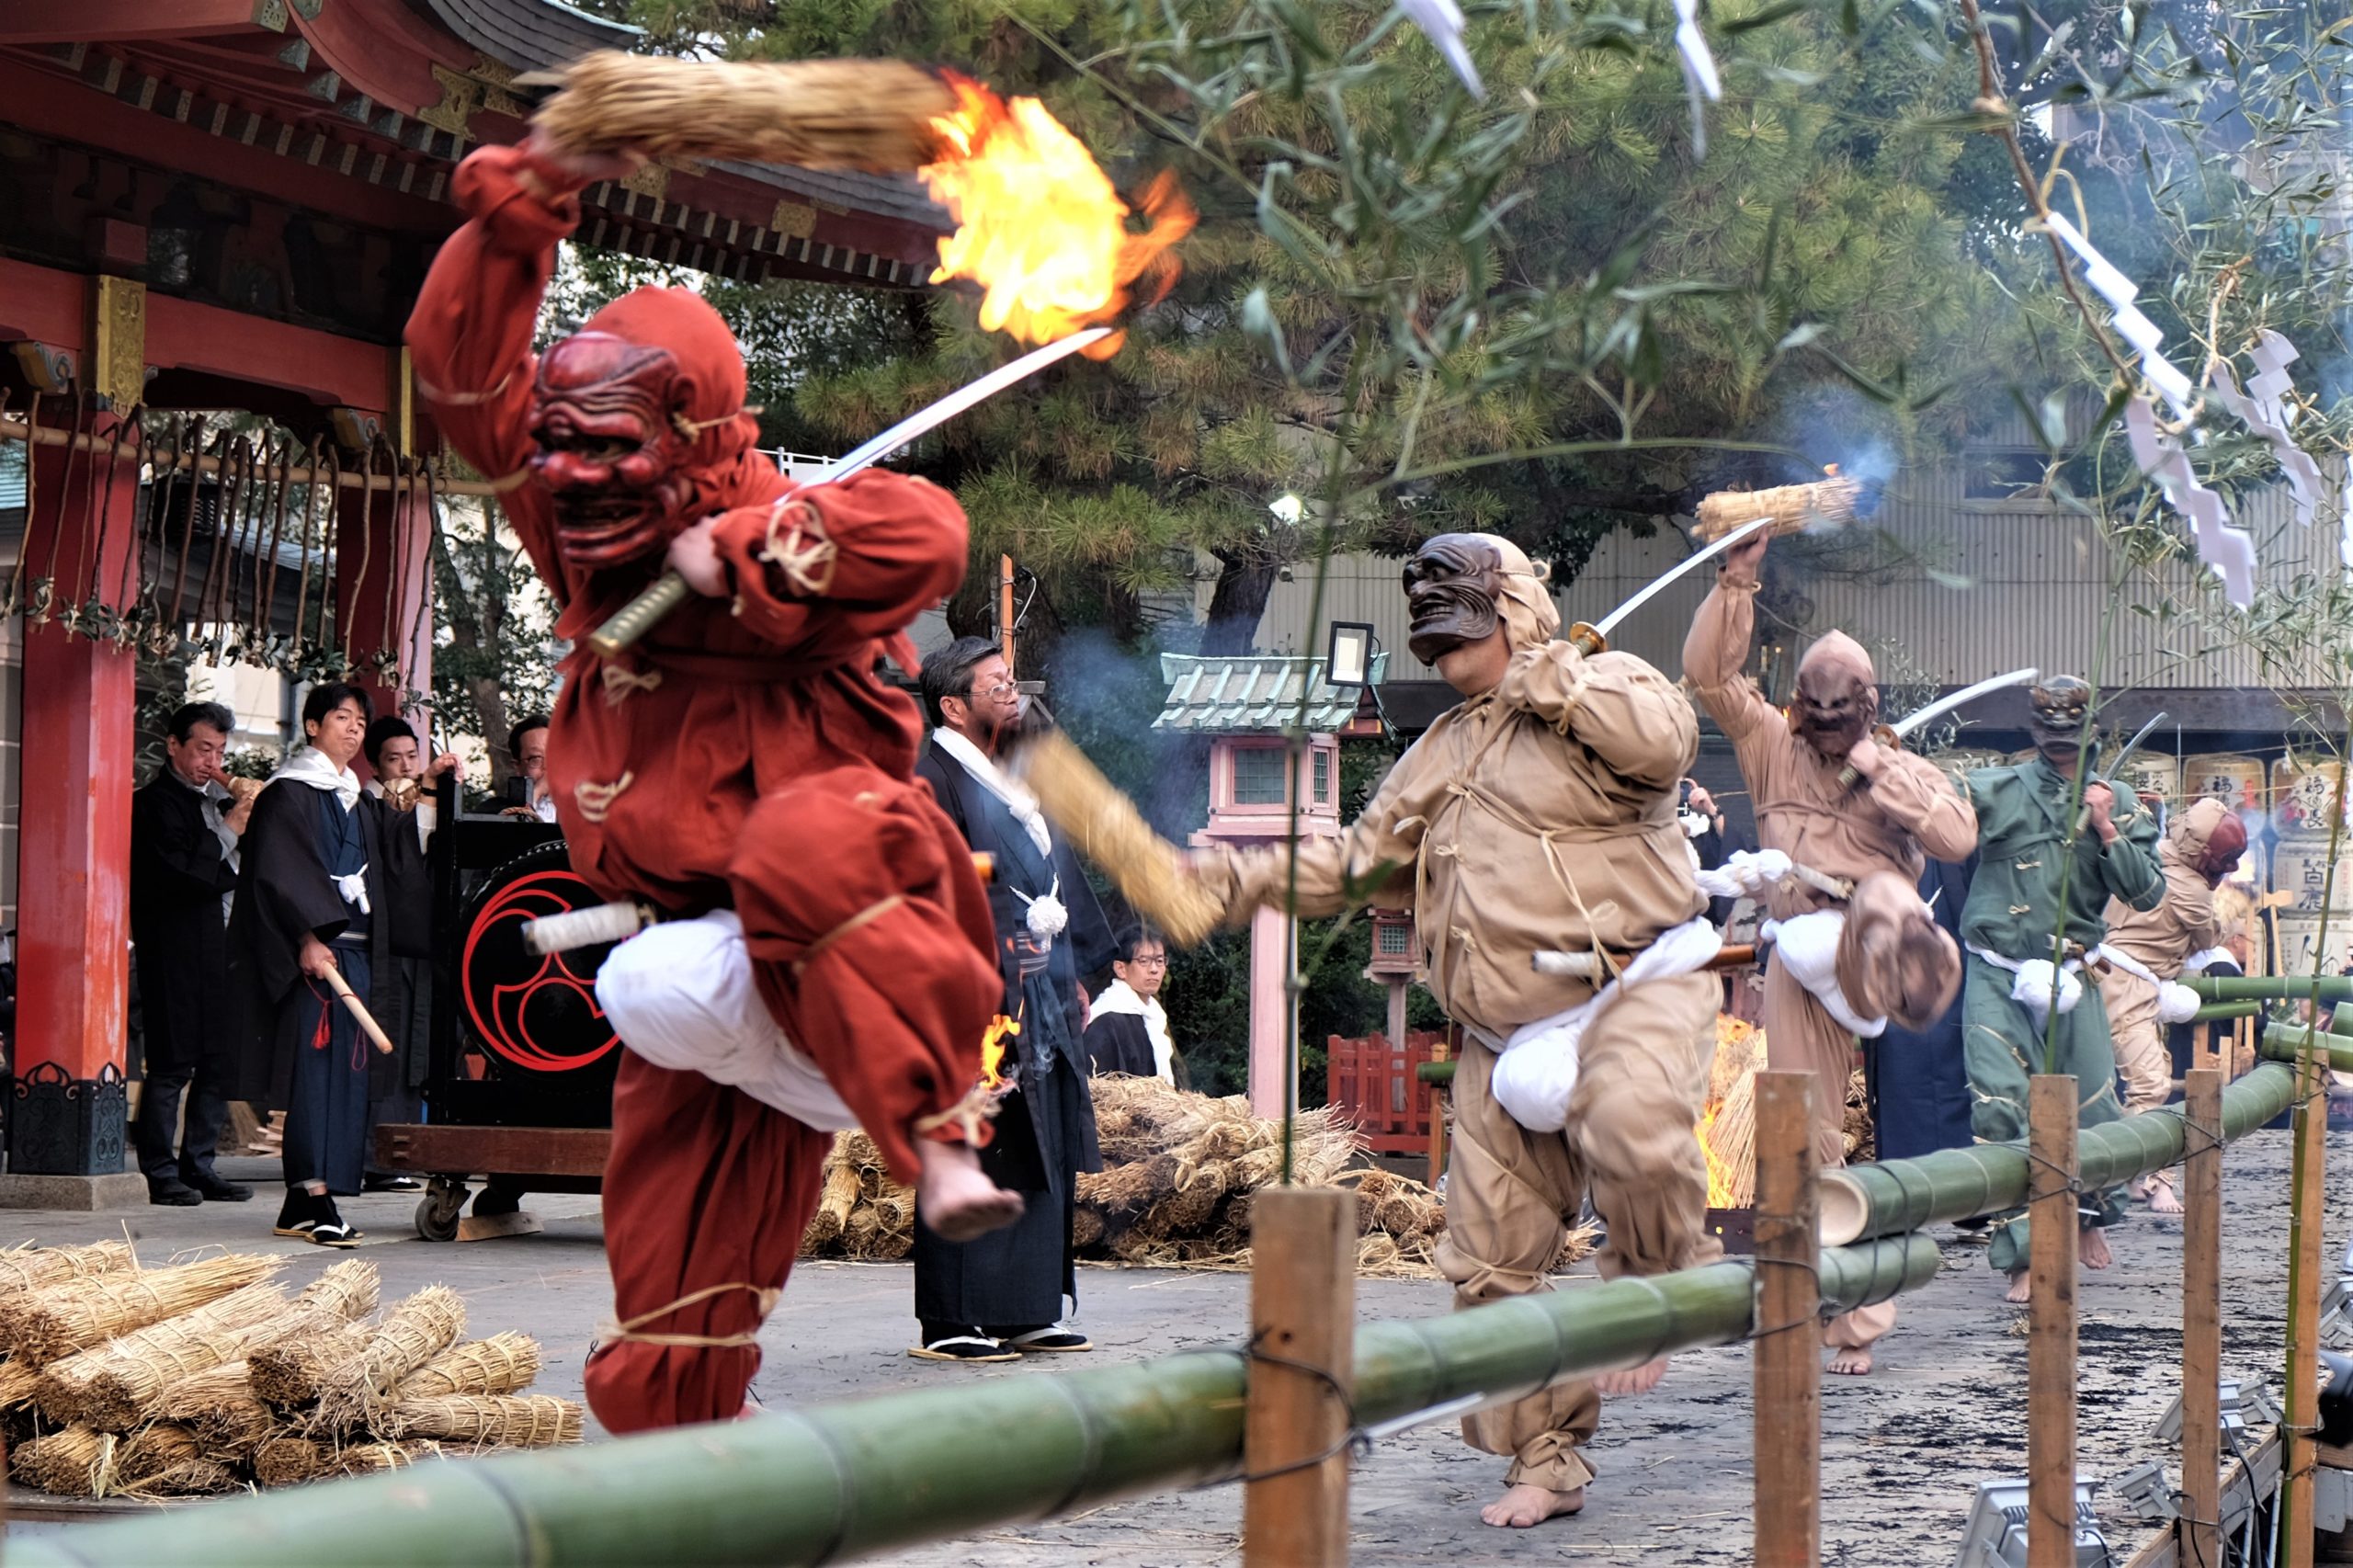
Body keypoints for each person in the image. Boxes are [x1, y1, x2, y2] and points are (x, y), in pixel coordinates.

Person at [406, 131, 1016, 1433]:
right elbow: (464, 394)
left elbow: (932, 533)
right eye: (557, 447)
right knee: (673, 1302)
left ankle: (939, 1142)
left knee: (803, 837)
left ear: (697, 434)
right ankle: (680, 1492)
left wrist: (761, 547)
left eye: (604, 448)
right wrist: (512, 235)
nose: (563, 478)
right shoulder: (587, 540)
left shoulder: (774, 532)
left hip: (852, 945)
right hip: (684, 966)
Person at [1188, 533, 1720, 1530]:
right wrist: (1236, 878)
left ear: (1516, 609)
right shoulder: (1439, 749)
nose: (1447, 654)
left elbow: (1665, 744)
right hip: (1495, 1030)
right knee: (1487, 1262)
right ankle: (1545, 1453)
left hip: (1631, 987)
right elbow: (1354, 861)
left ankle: (1657, 1292)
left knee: (1633, 1127)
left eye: (1465, 627)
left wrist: (1555, 678)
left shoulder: (1604, 682)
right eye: (1434, 639)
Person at [1681, 527, 1977, 1374]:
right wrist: (1735, 586)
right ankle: (1838, 1306)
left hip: (1870, 948)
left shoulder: (1891, 763)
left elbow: (1957, 840)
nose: (1824, 730)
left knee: (1884, 897)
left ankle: (1917, 964)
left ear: (1869, 707)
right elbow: (1710, 678)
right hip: (1796, 951)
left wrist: (1887, 774)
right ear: (1797, 704)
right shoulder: (1771, 743)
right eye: (1814, 713)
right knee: (1802, 1130)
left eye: (1841, 716)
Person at [911, 638, 1117, 1362]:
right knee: (977, 1133)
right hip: (970, 988)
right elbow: (925, 883)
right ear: (953, 706)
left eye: (1012, 683)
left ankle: (1032, 1307)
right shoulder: (930, 778)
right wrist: (996, 946)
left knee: (1044, 1137)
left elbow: (1059, 876)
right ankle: (954, 1316)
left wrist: (1081, 970)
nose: (1012, 695)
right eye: (996, 686)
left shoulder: (1018, 772)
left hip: (1046, 985)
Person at [227, 685, 459, 1245]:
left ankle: (295, 1204)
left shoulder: (354, 796)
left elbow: (397, 855)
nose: (354, 729)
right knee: (316, 1080)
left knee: (347, 1081)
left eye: (360, 720)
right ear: (312, 726)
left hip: (358, 956)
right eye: (341, 717)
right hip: (315, 959)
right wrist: (306, 936)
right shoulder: (290, 793)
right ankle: (317, 1199)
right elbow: (278, 874)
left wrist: (427, 790)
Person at [1955, 676, 2163, 1302]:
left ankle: (2086, 1218)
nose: (2060, 749)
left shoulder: (2120, 800)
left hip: (2074, 971)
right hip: (1998, 969)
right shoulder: (1994, 788)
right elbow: (1935, 814)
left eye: (2070, 738)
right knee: (2000, 1104)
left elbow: (2147, 894)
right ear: (2034, 733)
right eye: (2050, 738)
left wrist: (2104, 825)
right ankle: (2024, 1250)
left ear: (2091, 731)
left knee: (2095, 1107)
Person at [129, 700, 256, 1206]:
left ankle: (199, 1166)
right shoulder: (153, 804)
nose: (212, 760)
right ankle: (160, 1170)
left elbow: (235, 872)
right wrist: (231, 831)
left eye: (221, 750)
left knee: (217, 1063)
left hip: (221, 947)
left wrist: (239, 827)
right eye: (203, 749)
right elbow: (185, 877)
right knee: (171, 1063)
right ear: (174, 746)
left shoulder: (216, 802)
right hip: (174, 950)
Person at [2097, 797, 2247, 1213]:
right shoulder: (2190, 887)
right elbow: (2205, 936)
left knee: (2125, 1081)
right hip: (2126, 985)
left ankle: (2126, 1177)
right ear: (2200, 852)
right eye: (2224, 860)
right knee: (2149, 1083)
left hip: (2125, 980)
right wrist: (2230, 917)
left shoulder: (2151, 854)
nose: (2227, 870)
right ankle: (2151, 1178)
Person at [358, 716, 437, 1195]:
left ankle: (402, 1154)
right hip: (376, 941)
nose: (405, 765)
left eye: (412, 755)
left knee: (413, 1047)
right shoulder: (365, 806)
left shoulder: (423, 800)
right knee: (379, 1047)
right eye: (394, 758)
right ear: (375, 763)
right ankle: (373, 1156)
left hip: (417, 944)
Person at [1085, 927, 1185, 1086]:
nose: (1154, 970)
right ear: (1120, 968)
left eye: (1159, 961)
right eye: (1144, 961)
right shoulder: (1106, 1020)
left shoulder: (1154, 1016)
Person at [501, 716, 556, 822]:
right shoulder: (495, 808)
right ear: (517, 766)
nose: (547, 766)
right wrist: (537, 792)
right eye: (536, 758)